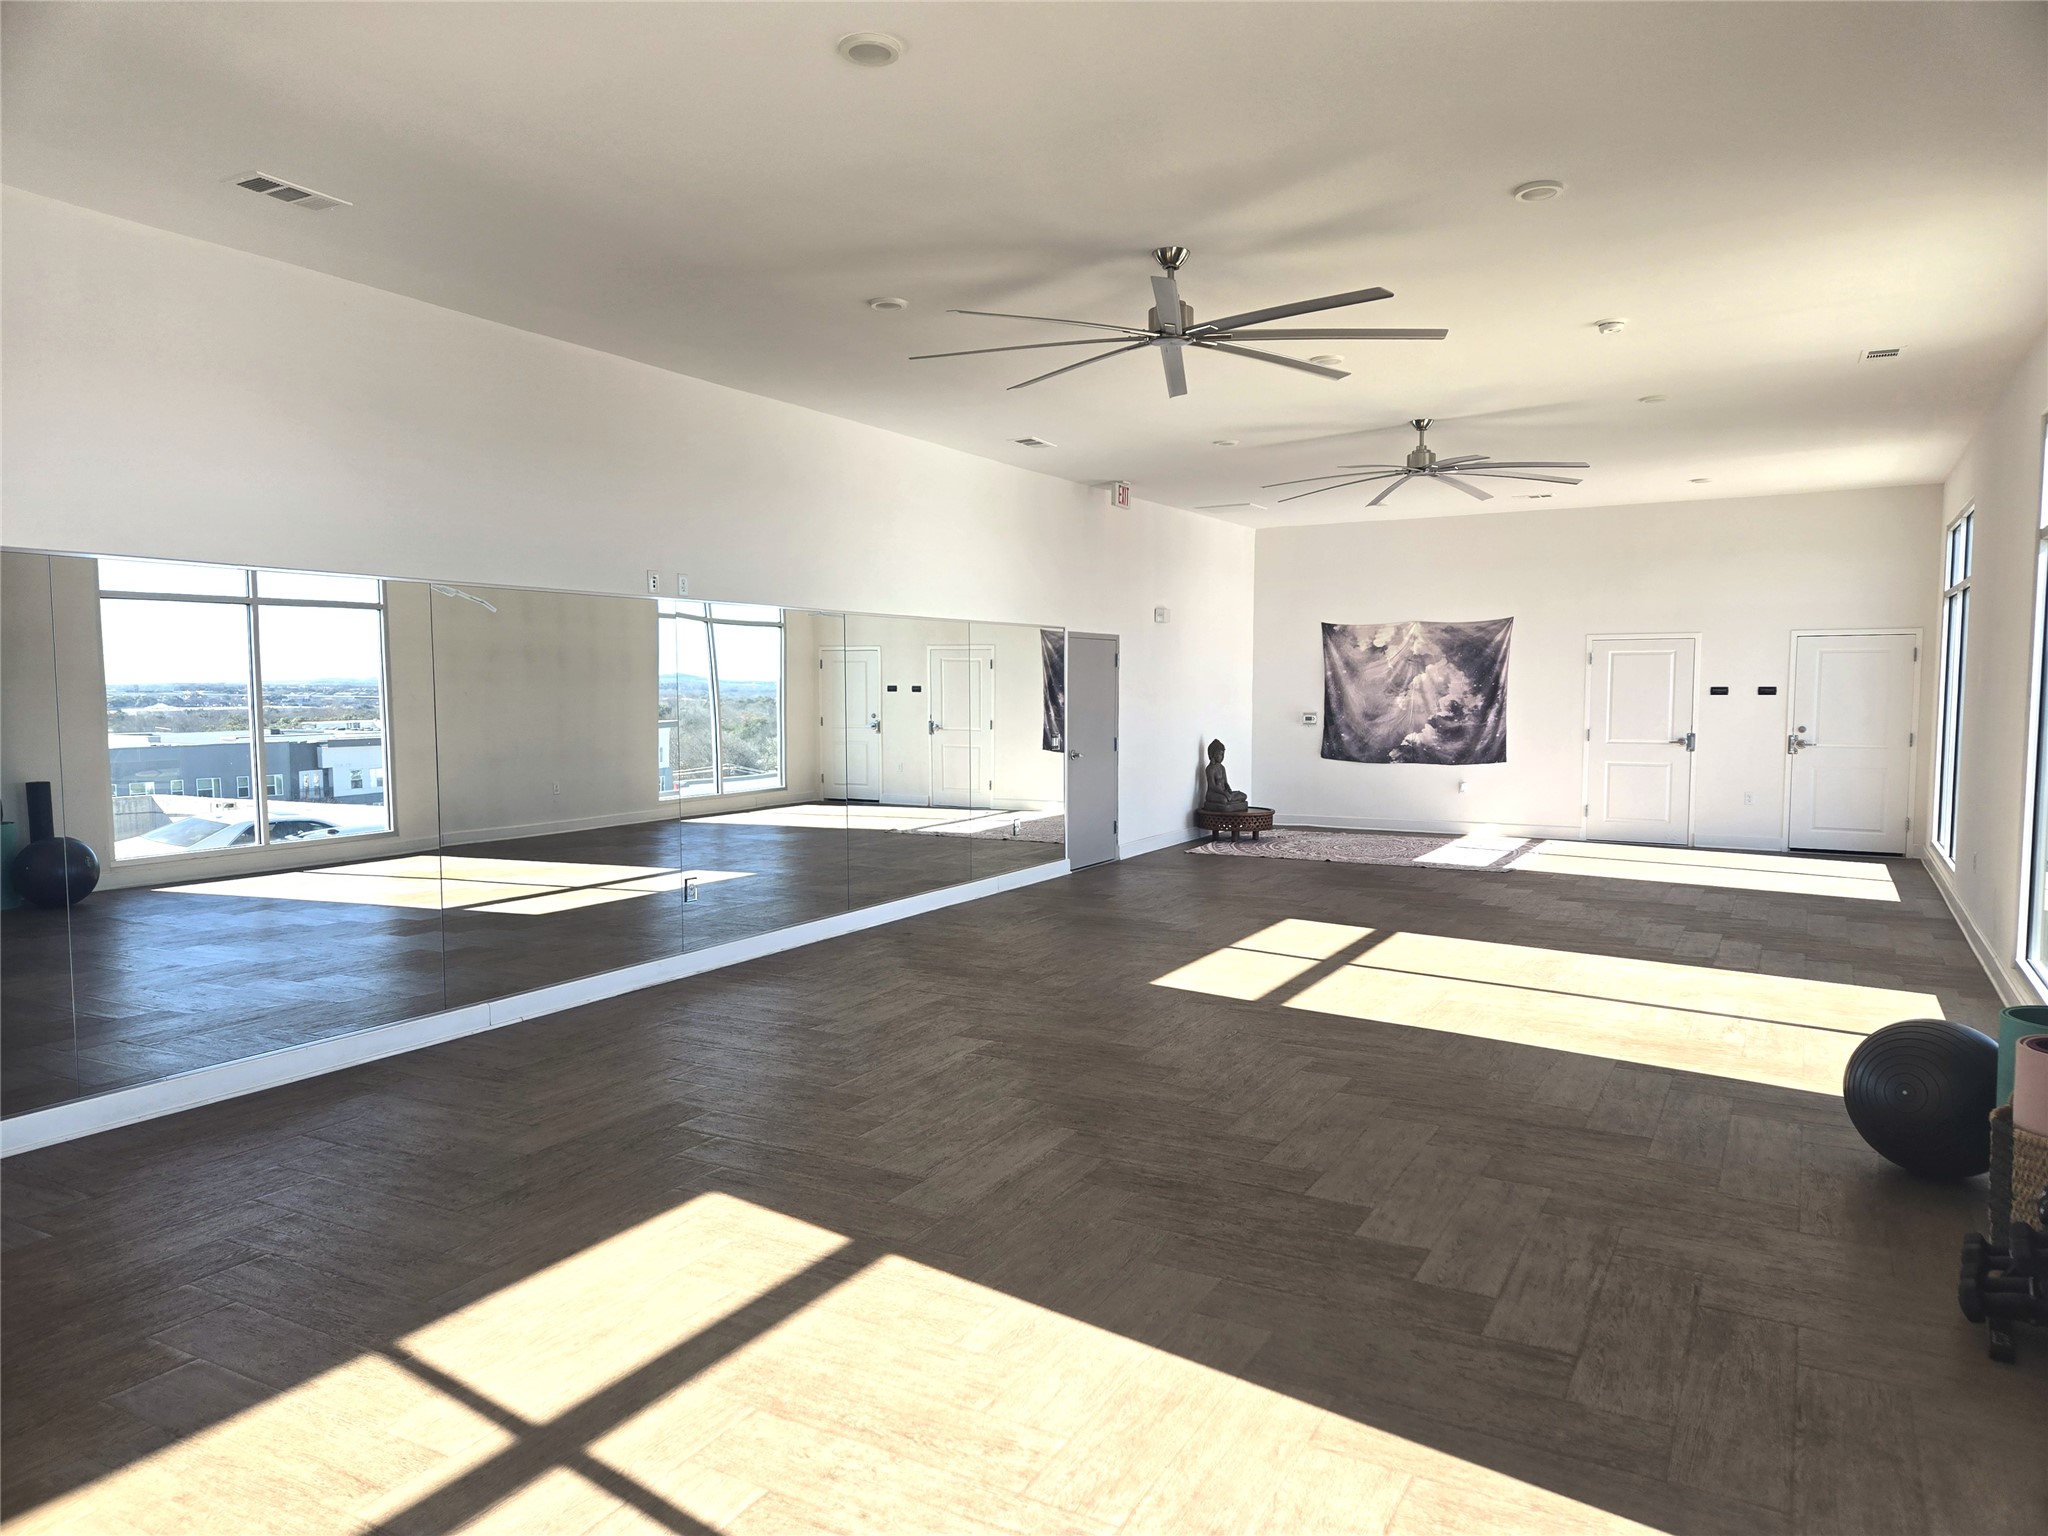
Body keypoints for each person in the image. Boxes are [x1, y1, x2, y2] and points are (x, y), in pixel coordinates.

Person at [1201, 739, 1249, 813]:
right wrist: (1224, 793)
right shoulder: (1210, 769)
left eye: (1223, 754)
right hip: (1213, 794)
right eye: (1220, 754)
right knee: (1224, 800)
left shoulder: (1222, 768)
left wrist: (1228, 790)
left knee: (1243, 795)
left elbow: (1225, 783)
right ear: (1213, 754)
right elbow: (1212, 786)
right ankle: (1231, 800)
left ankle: (1231, 800)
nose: (1222, 757)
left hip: (1224, 793)